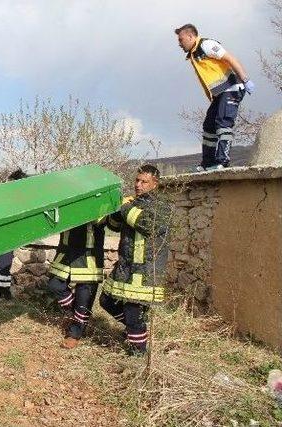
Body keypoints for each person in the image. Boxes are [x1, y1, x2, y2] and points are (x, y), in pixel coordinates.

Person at [100, 164, 171, 355]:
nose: (138, 185)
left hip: (145, 271)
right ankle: (135, 330)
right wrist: (114, 211)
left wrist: (124, 206)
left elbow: (145, 223)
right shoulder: (134, 203)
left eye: (144, 182)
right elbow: (115, 226)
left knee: (133, 312)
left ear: (155, 184)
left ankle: (137, 354)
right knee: (106, 301)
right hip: (125, 267)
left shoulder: (162, 206)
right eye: (137, 180)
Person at [175, 23, 255, 171]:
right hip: (219, 94)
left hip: (231, 88)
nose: (179, 43)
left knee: (223, 122)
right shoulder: (194, 53)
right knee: (209, 126)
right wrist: (212, 98)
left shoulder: (206, 45)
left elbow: (230, 59)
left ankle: (222, 161)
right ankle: (208, 163)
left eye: (181, 39)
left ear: (191, 36)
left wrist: (245, 79)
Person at [46, 219, 106, 349]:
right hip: (66, 251)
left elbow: (106, 220)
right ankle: (75, 315)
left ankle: (74, 334)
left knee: (84, 298)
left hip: (89, 254)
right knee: (54, 284)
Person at [0, 168, 29, 300]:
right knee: (3, 266)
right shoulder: (5, 198)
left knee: (5, 265)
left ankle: (4, 291)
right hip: (1, 237)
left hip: (8, 237)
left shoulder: (12, 199)